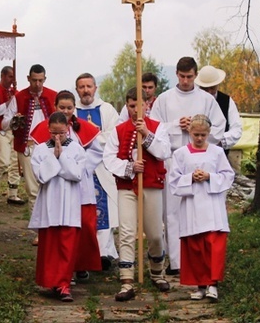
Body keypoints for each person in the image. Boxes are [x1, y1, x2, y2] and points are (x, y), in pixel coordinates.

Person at [149, 57, 226, 276]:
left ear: (196, 75)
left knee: (198, 211)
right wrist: (176, 125)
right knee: (172, 212)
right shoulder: (164, 99)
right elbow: (153, 128)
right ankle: (176, 262)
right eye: (182, 76)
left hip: (201, 159)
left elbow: (218, 127)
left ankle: (198, 258)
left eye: (189, 77)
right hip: (174, 158)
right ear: (176, 74)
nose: (185, 81)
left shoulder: (206, 99)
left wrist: (198, 129)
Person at [104, 87, 173, 301]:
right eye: (131, 106)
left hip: (151, 184)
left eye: (139, 105)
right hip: (127, 187)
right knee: (126, 231)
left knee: (154, 233)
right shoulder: (118, 130)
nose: (136, 110)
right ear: (127, 106)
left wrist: (146, 135)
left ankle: (156, 271)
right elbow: (109, 158)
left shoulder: (158, 128)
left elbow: (163, 152)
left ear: (147, 105)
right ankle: (126, 280)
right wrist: (130, 167)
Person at [31, 90, 102, 280]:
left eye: (70, 107)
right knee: (60, 229)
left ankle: (80, 265)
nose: (66, 111)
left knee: (83, 226)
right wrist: (62, 165)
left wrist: (76, 165)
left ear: (74, 108)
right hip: (55, 186)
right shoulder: (45, 131)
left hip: (80, 182)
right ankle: (60, 271)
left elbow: (96, 152)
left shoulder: (84, 128)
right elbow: (40, 161)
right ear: (55, 107)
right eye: (62, 107)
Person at [168, 114, 234, 302]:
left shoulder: (217, 152)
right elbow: (173, 181)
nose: (199, 138)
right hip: (192, 206)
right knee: (196, 247)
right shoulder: (180, 154)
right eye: (196, 134)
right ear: (189, 132)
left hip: (213, 205)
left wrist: (209, 177)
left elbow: (228, 175)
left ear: (208, 133)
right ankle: (200, 285)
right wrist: (190, 178)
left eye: (203, 135)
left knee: (213, 245)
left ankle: (213, 284)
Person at [28, 112, 85, 302]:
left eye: (61, 133)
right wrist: (54, 158)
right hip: (49, 203)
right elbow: (41, 176)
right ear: (48, 130)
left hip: (69, 204)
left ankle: (64, 284)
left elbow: (77, 174)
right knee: (51, 247)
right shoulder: (40, 150)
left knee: (67, 246)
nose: (57, 137)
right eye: (54, 133)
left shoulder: (77, 149)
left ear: (68, 129)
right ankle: (52, 281)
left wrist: (62, 159)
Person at [74, 72, 120, 267]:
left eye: (89, 86)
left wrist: (92, 135)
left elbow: (113, 136)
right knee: (83, 213)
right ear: (77, 90)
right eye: (82, 87)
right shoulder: (72, 111)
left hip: (103, 166)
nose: (86, 90)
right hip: (80, 168)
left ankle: (105, 252)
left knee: (105, 210)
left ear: (95, 88)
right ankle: (85, 254)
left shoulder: (107, 110)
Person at [10, 64, 58, 213]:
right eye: (34, 80)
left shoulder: (53, 96)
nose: (37, 84)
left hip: (48, 147)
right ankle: (37, 229)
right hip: (27, 147)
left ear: (44, 79)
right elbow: (5, 121)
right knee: (32, 189)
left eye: (40, 80)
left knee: (51, 184)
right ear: (28, 79)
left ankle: (51, 224)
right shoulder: (18, 97)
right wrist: (15, 120)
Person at [0, 66, 25, 205]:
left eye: (13, 77)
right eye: (10, 76)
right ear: (2, 75)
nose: (12, 80)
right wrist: (10, 102)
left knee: (15, 162)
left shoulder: (15, 92)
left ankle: (13, 193)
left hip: (13, 129)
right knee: (4, 160)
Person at [195, 65, 243, 154]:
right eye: (205, 88)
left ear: (217, 85)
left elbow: (236, 129)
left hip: (219, 155)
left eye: (212, 88)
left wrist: (219, 141)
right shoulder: (193, 100)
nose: (209, 91)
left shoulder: (227, 101)